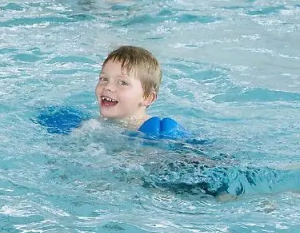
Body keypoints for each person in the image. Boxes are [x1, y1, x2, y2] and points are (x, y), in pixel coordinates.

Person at [46, 45, 300, 199]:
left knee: (227, 192)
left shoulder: (158, 129)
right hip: (163, 177)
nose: (108, 87)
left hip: (203, 175)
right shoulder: (91, 125)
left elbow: (200, 164)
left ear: (147, 98)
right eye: (103, 79)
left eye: (122, 82)